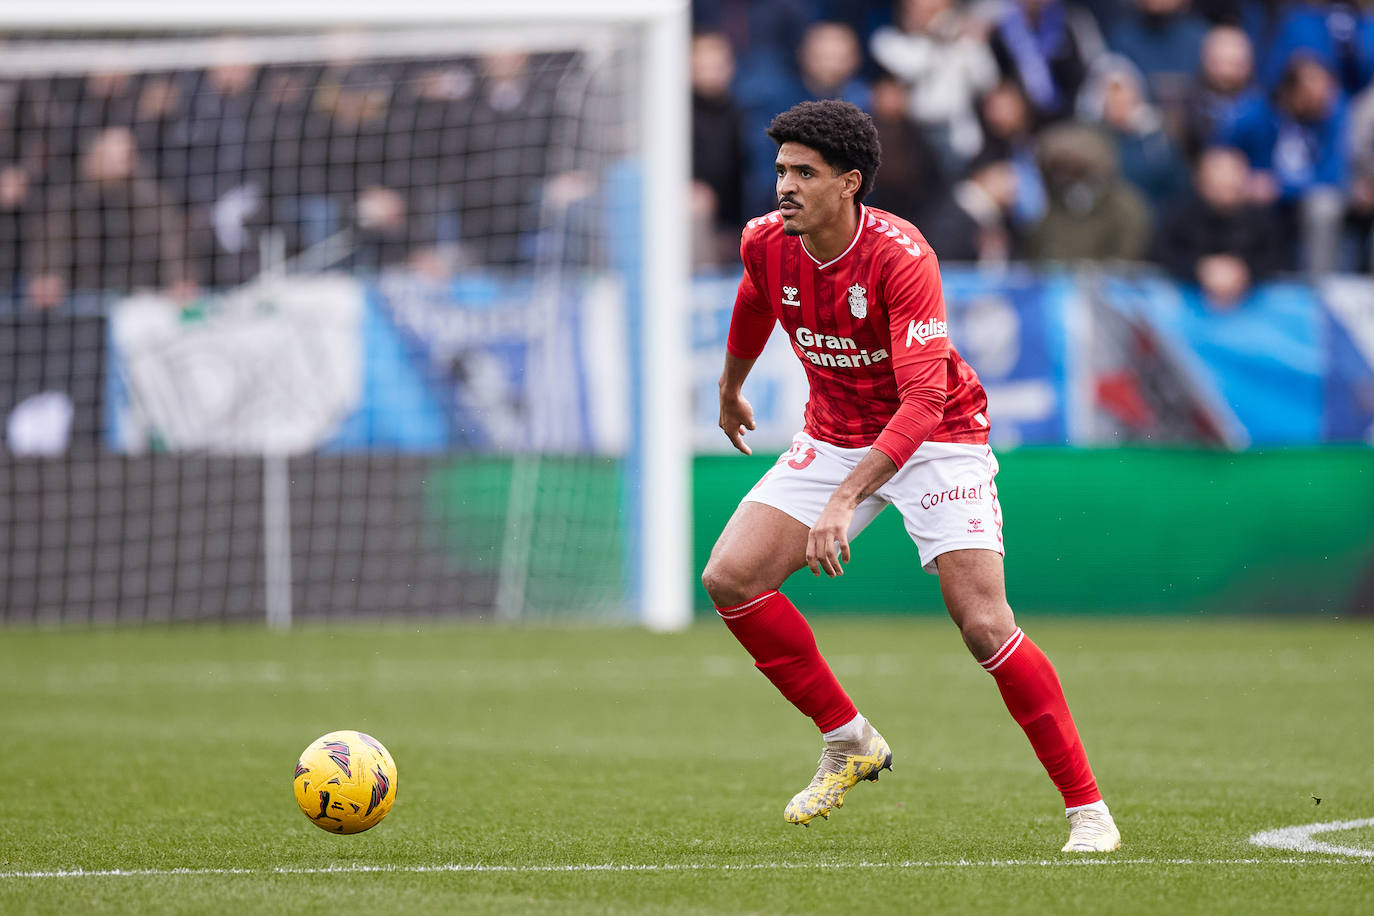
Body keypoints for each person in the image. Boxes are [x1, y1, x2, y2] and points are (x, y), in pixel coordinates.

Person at [701, 99, 1120, 853]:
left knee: (985, 624)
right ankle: (848, 738)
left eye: (805, 173)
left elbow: (924, 399)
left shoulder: (902, 256)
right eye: (780, 171)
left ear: (850, 183)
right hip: (835, 432)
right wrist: (732, 386)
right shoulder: (765, 241)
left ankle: (1088, 810)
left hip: (938, 437)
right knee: (730, 578)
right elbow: (756, 300)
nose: (784, 187)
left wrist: (843, 499)